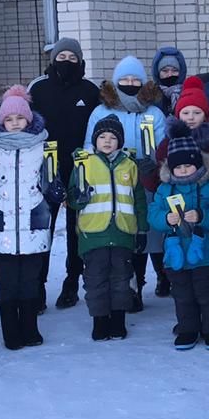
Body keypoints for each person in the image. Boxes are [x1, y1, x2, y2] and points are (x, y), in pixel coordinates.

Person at [0, 86, 64, 350]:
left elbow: (52, 183)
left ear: (29, 120)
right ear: (1, 122)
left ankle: (30, 328)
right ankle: (11, 332)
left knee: (30, 282)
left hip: (33, 224)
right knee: (6, 284)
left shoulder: (42, 148)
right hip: (1, 226)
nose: (14, 123)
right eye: (9, 119)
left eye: (19, 118)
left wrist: (55, 188)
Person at [85, 55, 168, 311]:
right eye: (124, 79)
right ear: (115, 81)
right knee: (123, 235)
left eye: (135, 79)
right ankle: (129, 286)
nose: (130, 83)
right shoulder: (101, 111)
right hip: (112, 182)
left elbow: (163, 145)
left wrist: (153, 164)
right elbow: (90, 145)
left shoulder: (153, 112)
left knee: (148, 233)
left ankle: (152, 281)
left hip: (145, 180)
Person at [28, 38, 101, 310]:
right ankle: (37, 287)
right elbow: (27, 124)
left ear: (80, 61)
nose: (67, 61)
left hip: (80, 168)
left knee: (76, 230)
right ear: (53, 59)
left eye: (72, 57)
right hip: (45, 168)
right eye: (62, 56)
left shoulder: (90, 91)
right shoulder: (39, 88)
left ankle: (72, 282)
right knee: (42, 229)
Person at [149, 119, 209, 350]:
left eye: (188, 166)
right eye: (179, 167)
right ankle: (188, 329)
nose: (184, 170)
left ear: (198, 164)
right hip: (176, 255)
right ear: (171, 168)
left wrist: (202, 216)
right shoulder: (164, 190)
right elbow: (154, 214)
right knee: (183, 295)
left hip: (207, 253)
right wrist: (165, 219)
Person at [67, 116, 148, 341]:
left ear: (120, 141)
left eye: (113, 137)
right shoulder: (84, 163)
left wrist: (141, 229)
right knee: (95, 279)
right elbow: (72, 198)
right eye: (102, 137)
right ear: (94, 140)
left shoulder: (129, 165)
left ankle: (118, 321)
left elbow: (139, 199)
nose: (107, 141)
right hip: (94, 234)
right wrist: (78, 198)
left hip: (122, 233)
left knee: (122, 279)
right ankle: (100, 320)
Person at [152, 46, 188, 110]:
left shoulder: (187, 93)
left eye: (174, 70)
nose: (170, 75)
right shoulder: (150, 95)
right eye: (165, 71)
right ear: (158, 73)